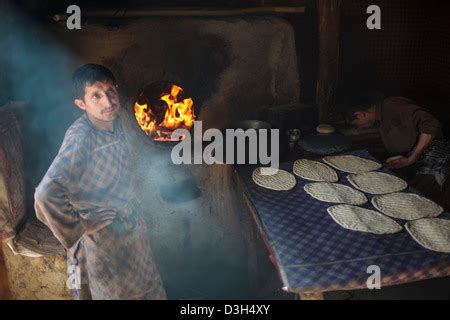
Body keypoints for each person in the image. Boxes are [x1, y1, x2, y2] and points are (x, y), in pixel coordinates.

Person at [34, 64, 167, 300]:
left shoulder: (117, 123)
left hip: (130, 231)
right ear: (81, 104)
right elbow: (45, 194)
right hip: (104, 243)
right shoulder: (81, 137)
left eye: (110, 91)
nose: (108, 102)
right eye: (96, 95)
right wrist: (80, 226)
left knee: (148, 290)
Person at [345, 92, 450, 210]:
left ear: (360, 114)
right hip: (415, 157)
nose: (359, 127)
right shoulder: (380, 119)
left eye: (357, 124)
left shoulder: (393, 105)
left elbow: (431, 124)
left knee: (416, 201)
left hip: (436, 155)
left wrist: (412, 158)